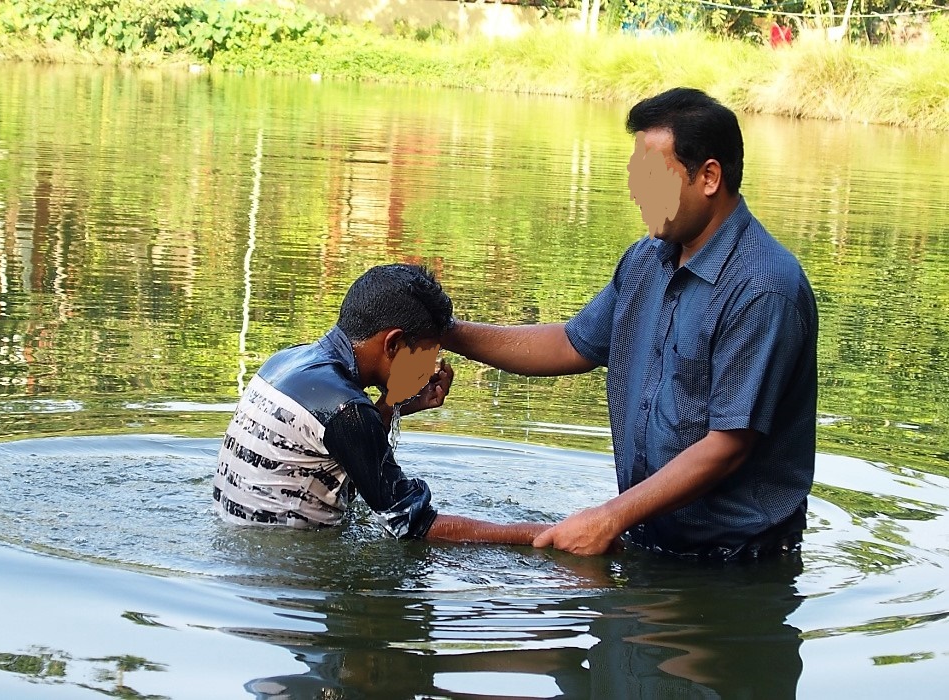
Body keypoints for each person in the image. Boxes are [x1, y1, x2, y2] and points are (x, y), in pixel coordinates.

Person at [444, 87, 818, 560]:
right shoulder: (647, 260)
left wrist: (608, 518)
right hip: (650, 540)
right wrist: (447, 331)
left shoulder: (763, 288)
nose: (637, 191)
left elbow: (728, 445)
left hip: (737, 565)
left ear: (708, 176)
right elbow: (568, 344)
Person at [212, 263, 549, 545]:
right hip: (290, 570)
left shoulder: (288, 360)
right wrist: (537, 535)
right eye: (426, 353)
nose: (429, 368)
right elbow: (412, 524)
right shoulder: (348, 411)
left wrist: (395, 404)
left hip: (239, 541)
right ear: (393, 343)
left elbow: (345, 453)